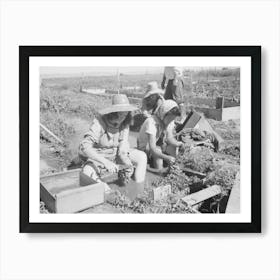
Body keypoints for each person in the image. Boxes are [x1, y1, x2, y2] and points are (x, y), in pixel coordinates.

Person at [79, 94, 147, 185]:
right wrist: (106, 162)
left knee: (141, 156)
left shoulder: (125, 123)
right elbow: (84, 147)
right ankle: (105, 192)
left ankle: (138, 186)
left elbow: (123, 146)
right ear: (113, 112)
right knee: (87, 172)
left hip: (115, 155)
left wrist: (126, 162)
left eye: (125, 113)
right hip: (99, 157)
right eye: (120, 113)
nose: (123, 117)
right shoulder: (99, 122)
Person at [137, 99, 182, 170]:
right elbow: (152, 148)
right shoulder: (151, 122)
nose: (171, 121)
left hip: (156, 144)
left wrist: (178, 144)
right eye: (170, 118)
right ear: (163, 114)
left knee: (173, 147)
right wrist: (166, 157)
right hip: (144, 148)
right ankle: (159, 172)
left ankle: (173, 166)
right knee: (158, 152)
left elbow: (170, 138)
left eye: (172, 119)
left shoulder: (169, 121)